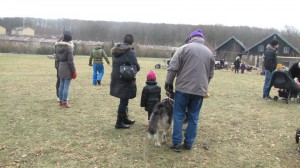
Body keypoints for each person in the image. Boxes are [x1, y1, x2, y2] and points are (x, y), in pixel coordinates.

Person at [165, 29, 214, 152]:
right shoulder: (209, 53)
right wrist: (204, 86)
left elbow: (173, 68)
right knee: (194, 117)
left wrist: (168, 84)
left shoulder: (183, 49)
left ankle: (176, 143)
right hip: (199, 90)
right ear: (202, 39)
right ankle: (188, 143)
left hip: (182, 89)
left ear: (191, 38)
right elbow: (210, 74)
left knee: (178, 115)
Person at [110, 34, 140, 129]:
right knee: (123, 101)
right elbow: (136, 67)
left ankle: (124, 118)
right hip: (125, 79)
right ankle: (119, 122)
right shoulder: (130, 52)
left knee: (124, 100)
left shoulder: (116, 50)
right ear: (131, 42)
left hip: (116, 77)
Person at [55, 32, 77, 108]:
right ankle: (65, 102)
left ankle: (61, 101)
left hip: (60, 66)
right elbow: (71, 61)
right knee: (66, 86)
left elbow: (57, 58)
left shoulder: (57, 46)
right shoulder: (69, 48)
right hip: (67, 67)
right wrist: (74, 71)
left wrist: (57, 67)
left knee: (61, 85)